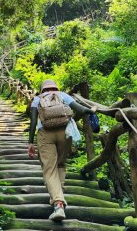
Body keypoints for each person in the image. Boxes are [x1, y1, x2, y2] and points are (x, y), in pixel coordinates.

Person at [27, 79, 96, 221]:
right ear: (55, 87)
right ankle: (58, 195)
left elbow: (33, 121)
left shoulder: (37, 99)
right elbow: (81, 110)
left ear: (42, 90)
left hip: (45, 133)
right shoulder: (63, 95)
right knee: (60, 164)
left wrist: (30, 143)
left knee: (49, 168)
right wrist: (92, 110)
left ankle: (58, 204)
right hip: (65, 133)